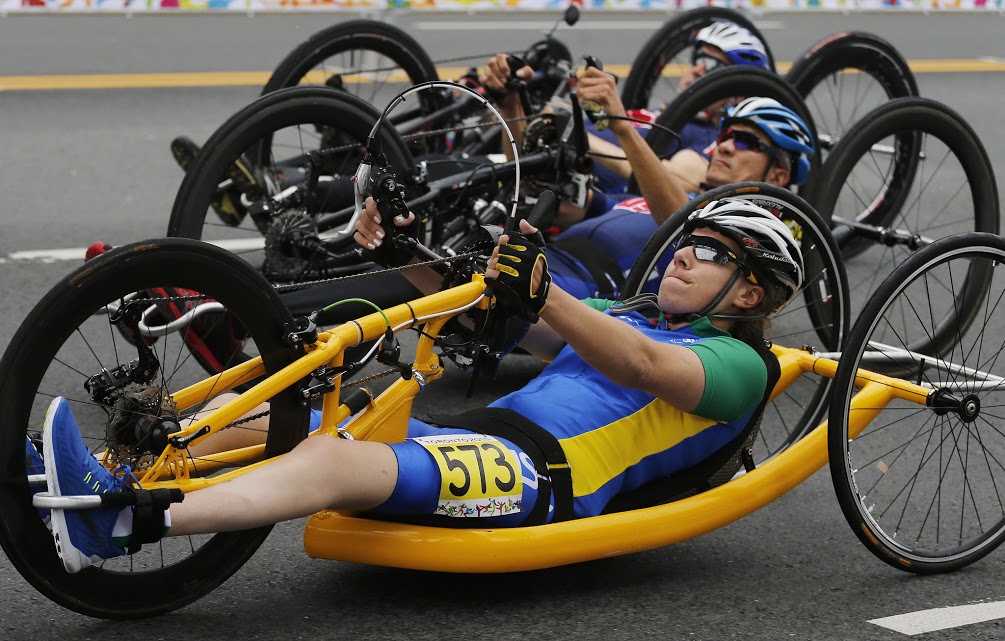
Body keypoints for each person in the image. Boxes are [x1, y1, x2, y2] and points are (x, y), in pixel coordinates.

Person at [40, 197, 803, 574]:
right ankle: (105, 483)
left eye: (711, 251)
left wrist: (548, 294)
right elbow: (523, 323)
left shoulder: (742, 366)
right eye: (688, 240)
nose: (683, 254)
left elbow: (641, 368)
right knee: (297, 413)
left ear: (747, 293)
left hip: (540, 479)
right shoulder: (624, 312)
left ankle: (125, 525)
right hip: (478, 442)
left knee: (334, 459)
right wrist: (430, 253)